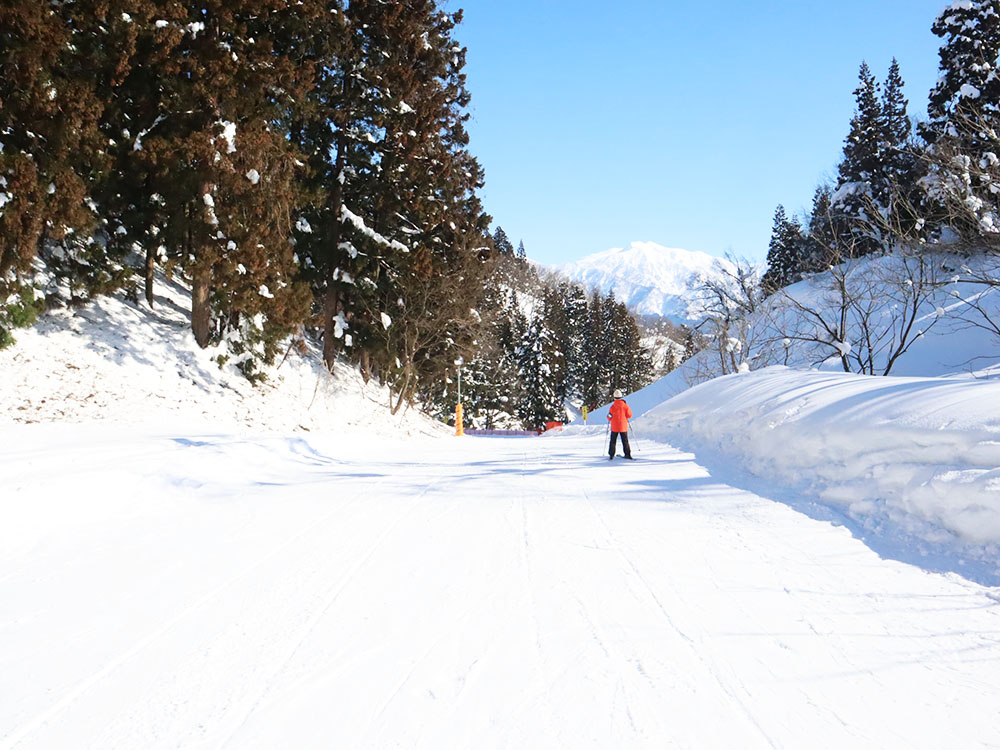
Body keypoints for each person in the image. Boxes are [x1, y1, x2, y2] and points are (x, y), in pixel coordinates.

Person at [607, 388, 633, 460]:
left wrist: (608, 417)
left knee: (613, 441)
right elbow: (629, 415)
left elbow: (609, 416)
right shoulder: (625, 406)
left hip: (614, 427)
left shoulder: (612, 406)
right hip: (623, 426)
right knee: (625, 441)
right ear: (621, 397)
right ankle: (627, 454)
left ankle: (611, 454)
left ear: (614, 397)